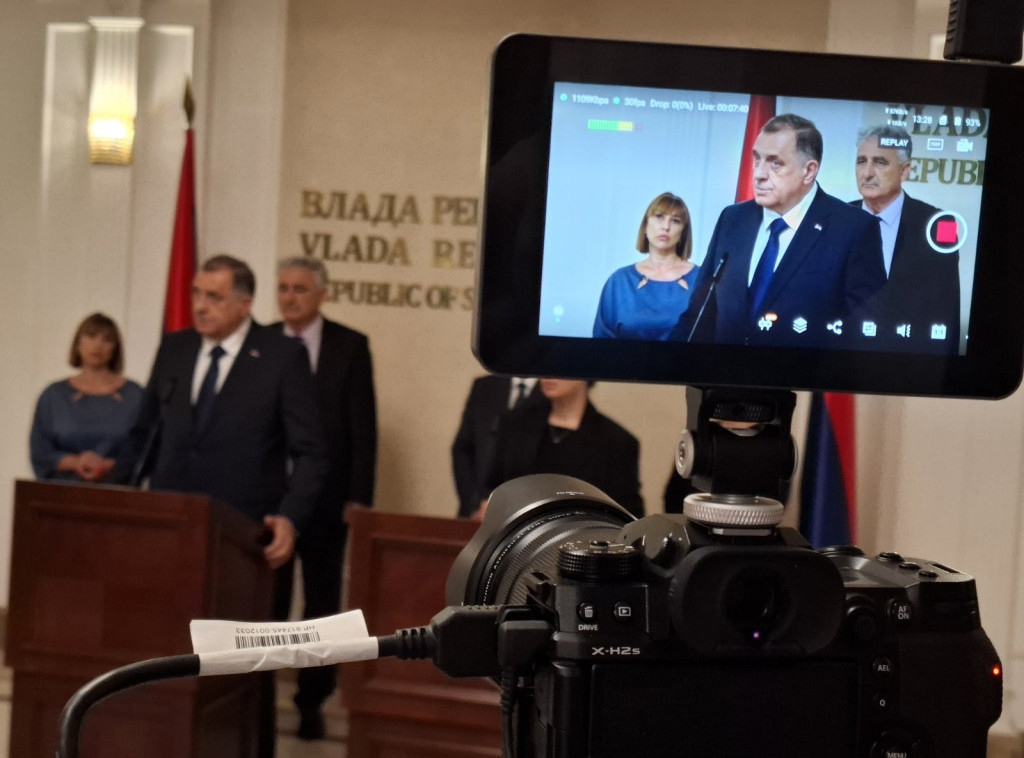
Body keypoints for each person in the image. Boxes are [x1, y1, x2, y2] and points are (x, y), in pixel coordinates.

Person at [132, 254, 328, 758]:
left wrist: (290, 517)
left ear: (245, 303)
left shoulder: (281, 356)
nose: (201, 306)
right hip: (171, 531)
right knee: (167, 654)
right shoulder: (175, 348)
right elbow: (144, 434)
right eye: (197, 294)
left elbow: (311, 452)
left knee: (244, 669)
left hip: (244, 540)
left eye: (214, 297)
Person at [271, 256, 377, 740]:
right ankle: (257, 695)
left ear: (321, 294)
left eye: (299, 288)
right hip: (271, 501)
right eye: (283, 288)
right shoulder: (261, 342)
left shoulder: (350, 346)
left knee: (321, 605)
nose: (289, 297)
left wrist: (358, 498)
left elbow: (363, 428)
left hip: (328, 501)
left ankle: (311, 701)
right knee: (267, 604)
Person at [671, 114, 885, 347]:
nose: (759, 174)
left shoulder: (853, 228)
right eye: (757, 159)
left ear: (808, 171)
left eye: (775, 163)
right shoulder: (733, 219)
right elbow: (698, 315)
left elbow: (866, 331)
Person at [851, 125, 960, 352]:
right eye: (861, 161)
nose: (867, 173)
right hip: (841, 356)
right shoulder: (834, 219)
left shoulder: (941, 224)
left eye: (879, 162)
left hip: (910, 358)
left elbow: (947, 310)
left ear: (904, 171)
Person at [485, 379, 643, 518]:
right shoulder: (514, 424)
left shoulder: (616, 442)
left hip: (582, 537)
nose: (548, 375)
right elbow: (493, 487)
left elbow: (628, 516)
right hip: (517, 534)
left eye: (559, 364)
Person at [30, 312, 143, 483]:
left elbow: (145, 453)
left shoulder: (135, 396)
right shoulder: (54, 395)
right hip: (61, 493)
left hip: (119, 492)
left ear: (116, 348)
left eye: (107, 339)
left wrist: (106, 466)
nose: (97, 345)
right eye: (91, 336)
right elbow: (40, 453)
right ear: (78, 342)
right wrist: (76, 463)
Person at [593, 192, 698, 340]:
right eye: (659, 217)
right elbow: (601, 342)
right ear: (645, 226)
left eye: (675, 221)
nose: (666, 226)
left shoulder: (702, 279)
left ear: (683, 232)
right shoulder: (620, 281)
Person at [451, 375, 548, 518]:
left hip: (529, 515)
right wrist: (474, 505)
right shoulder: (485, 386)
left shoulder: (553, 388)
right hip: (478, 513)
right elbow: (463, 449)